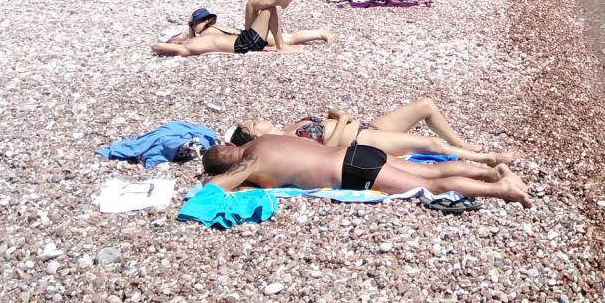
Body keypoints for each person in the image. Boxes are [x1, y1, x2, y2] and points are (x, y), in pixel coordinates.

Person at [201, 135, 530, 206]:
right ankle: (491, 171)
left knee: (434, 185)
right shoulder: (262, 141)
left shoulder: (249, 164)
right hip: (356, 151)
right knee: (434, 171)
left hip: (351, 171)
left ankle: (503, 190)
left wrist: (213, 178)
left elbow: (213, 192)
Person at [228, 99, 515, 167]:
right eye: (252, 124)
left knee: (425, 105)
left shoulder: (288, 128)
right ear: (255, 137)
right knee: (429, 144)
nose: (258, 118)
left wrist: (335, 117)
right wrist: (341, 121)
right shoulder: (283, 141)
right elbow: (324, 151)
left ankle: (464, 144)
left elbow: (322, 129)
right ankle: (487, 158)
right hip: (361, 140)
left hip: (367, 127)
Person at [151, 0, 331, 57]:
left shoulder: (205, 33)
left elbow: (158, 46)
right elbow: (158, 46)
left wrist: (180, 39)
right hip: (244, 43)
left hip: (244, 38)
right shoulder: (190, 45)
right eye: (195, 23)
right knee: (269, 11)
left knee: (251, 3)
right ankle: (281, 44)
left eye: (199, 22)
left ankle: (280, 2)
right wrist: (174, 44)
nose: (196, 25)